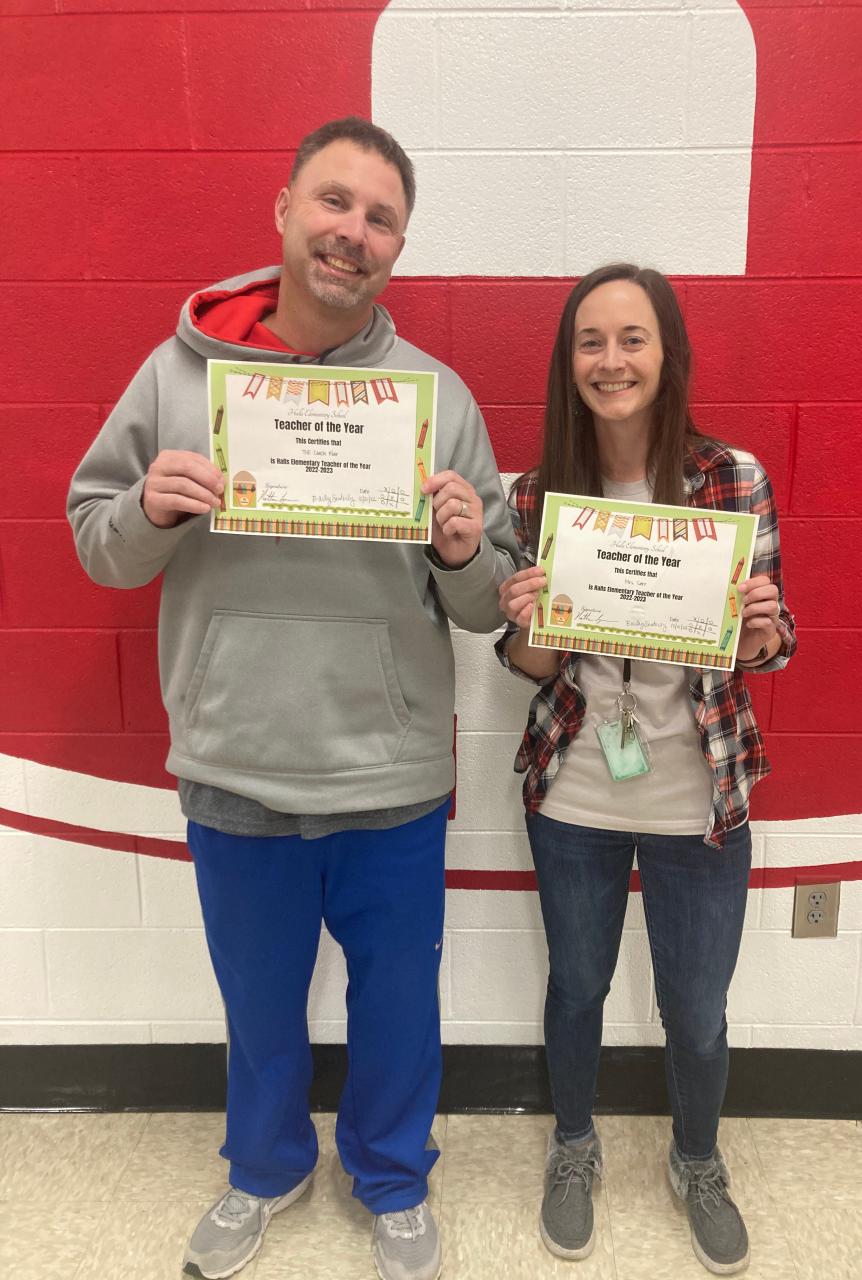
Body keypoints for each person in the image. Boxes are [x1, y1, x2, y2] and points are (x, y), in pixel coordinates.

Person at [67, 117, 519, 1280]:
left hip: (392, 772)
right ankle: (264, 1167)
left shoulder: (435, 396)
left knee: (397, 1010)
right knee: (258, 1006)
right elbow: (97, 543)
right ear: (282, 209)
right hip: (236, 758)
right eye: (333, 202)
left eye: (379, 219)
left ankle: (392, 1176)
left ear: (399, 246)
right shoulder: (174, 375)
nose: (350, 233)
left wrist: (468, 551)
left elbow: (486, 608)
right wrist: (150, 511)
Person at [495, 264, 797, 1275]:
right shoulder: (536, 493)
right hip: (574, 784)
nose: (611, 360)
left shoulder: (733, 477)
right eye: (591, 340)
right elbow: (530, 665)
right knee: (576, 983)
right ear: (568, 361)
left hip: (699, 792)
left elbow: (774, 640)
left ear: (667, 353)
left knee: (698, 1007)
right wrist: (529, 625)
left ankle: (697, 1159)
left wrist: (757, 633)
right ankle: (573, 1144)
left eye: (632, 338)